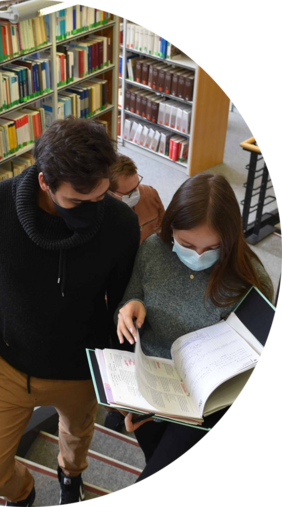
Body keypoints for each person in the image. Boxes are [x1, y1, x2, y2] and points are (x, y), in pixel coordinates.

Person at [0, 117, 140, 506]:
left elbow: (121, 298)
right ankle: (23, 491)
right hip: (10, 363)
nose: (90, 211)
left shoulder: (121, 223)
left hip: (82, 366)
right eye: (75, 201)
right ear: (44, 182)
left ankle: (71, 478)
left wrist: (120, 375)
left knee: (77, 437)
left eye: (99, 198)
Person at [112, 173, 274, 483]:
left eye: (212, 248)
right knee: (153, 455)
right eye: (186, 244)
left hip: (207, 407)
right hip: (153, 389)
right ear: (170, 225)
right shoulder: (153, 249)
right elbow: (130, 298)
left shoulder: (249, 279)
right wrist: (130, 307)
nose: (197, 257)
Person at [104, 154, 166, 431]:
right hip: (114, 292)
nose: (134, 195)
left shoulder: (150, 196)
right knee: (117, 345)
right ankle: (117, 408)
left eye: (136, 187)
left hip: (149, 287)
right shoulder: (102, 213)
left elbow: (166, 234)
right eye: (126, 193)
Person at [108, 154, 165, 244]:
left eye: (137, 184)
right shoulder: (101, 216)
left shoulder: (150, 194)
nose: (137, 192)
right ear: (110, 192)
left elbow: (164, 228)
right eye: (130, 192)